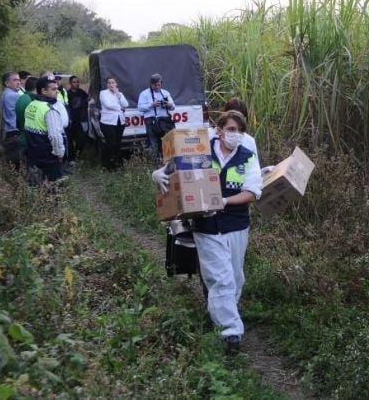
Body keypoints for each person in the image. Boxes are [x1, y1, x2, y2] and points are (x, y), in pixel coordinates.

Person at [151, 110, 261, 354]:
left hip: (236, 225)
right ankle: (231, 333)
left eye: (239, 131)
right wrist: (158, 173)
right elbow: (175, 167)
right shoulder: (201, 149)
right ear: (219, 130)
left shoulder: (247, 156)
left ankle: (218, 311)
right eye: (230, 129)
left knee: (235, 277)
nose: (235, 135)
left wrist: (224, 201)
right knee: (220, 279)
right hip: (206, 226)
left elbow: (252, 193)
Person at [23, 77, 65, 183]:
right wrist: (60, 153)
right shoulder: (50, 110)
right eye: (53, 89)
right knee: (54, 187)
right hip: (48, 156)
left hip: (33, 153)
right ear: (43, 91)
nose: (57, 91)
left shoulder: (31, 105)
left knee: (37, 185)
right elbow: (55, 136)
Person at [138, 73, 175, 159]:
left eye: (160, 84)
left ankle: (166, 161)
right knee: (153, 142)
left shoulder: (165, 93)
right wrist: (151, 105)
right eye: (156, 85)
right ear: (151, 84)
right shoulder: (144, 94)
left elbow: (173, 107)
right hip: (151, 121)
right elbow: (140, 108)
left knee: (166, 141)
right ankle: (154, 163)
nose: (158, 87)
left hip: (165, 120)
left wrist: (168, 104)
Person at [99, 77, 129, 170]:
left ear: (116, 84)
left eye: (113, 83)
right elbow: (108, 105)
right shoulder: (103, 93)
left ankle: (116, 162)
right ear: (107, 84)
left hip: (120, 121)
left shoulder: (119, 93)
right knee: (111, 143)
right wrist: (120, 108)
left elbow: (126, 104)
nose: (111, 84)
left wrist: (118, 95)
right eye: (109, 83)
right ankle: (107, 164)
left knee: (117, 143)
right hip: (108, 122)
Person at [0, 72, 22, 168]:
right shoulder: (13, 95)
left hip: (8, 132)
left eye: (19, 80)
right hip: (15, 132)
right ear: (7, 83)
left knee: (13, 164)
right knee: (18, 164)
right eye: (15, 80)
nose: (18, 82)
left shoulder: (5, 93)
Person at [67, 75, 90, 162]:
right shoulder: (68, 93)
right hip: (72, 121)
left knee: (82, 140)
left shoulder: (81, 92)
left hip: (81, 120)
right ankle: (72, 158)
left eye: (77, 82)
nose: (76, 84)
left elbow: (88, 98)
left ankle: (78, 155)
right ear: (70, 83)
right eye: (74, 82)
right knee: (71, 140)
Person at [15, 76, 38, 159]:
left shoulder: (22, 97)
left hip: (22, 136)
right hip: (29, 139)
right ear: (36, 88)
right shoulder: (31, 100)